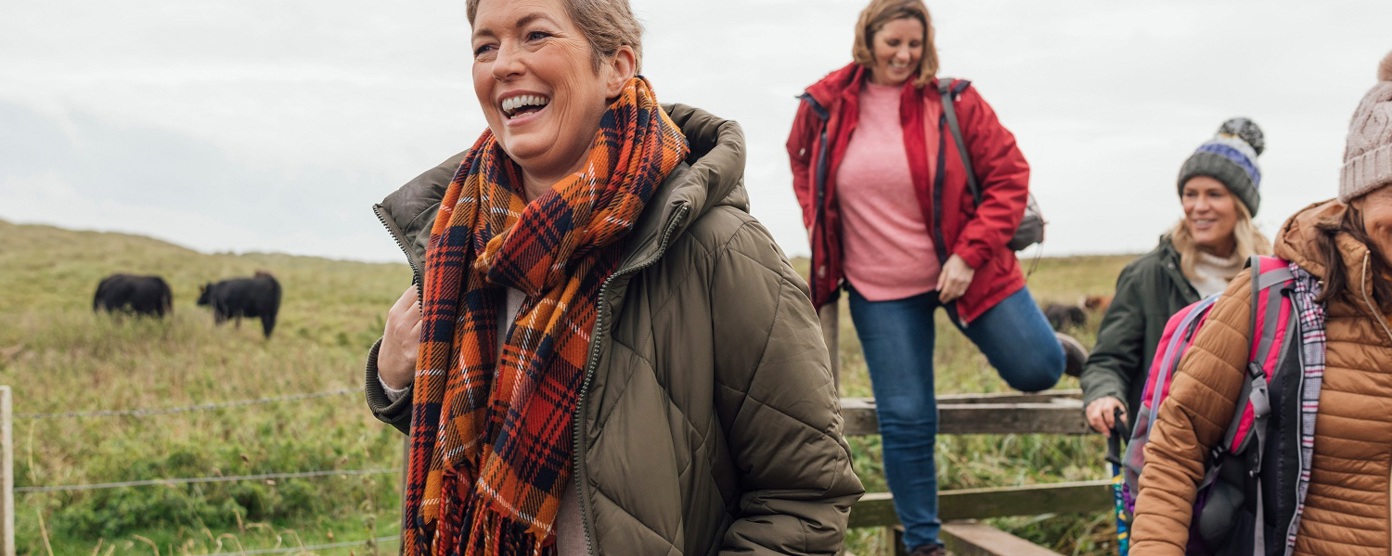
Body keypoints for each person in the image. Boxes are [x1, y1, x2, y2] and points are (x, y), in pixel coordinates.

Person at [362, 0, 864, 553]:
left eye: (535, 36)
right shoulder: (460, 241)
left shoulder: (722, 250)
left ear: (617, 66)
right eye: (485, 46)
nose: (503, 63)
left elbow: (804, 499)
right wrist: (395, 381)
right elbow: (475, 447)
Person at [784, 1, 1085, 553]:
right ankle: (922, 543)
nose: (903, 54)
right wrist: (822, 228)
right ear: (867, 38)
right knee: (906, 417)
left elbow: (1010, 177)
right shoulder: (826, 105)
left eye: (914, 44)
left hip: (967, 270)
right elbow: (802, 161)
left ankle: (1059, 349)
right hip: (880, 291)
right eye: (892, 42)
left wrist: (969, 254)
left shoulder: (955, 102)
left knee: (1037, 369)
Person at [1131, 50, 1392, 555]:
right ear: (1358, 193)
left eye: (1214, 194)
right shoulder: (1272, 298)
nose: (1200, 207)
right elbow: (1177, 446)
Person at [1081, 118, 1272, 437]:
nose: (1199, 207)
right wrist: (1104, 393)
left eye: (1214, 194)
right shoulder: (1147, 275)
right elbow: (1109, 359)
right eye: (1189, 193)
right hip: (1163, 443)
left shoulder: (1265, 276)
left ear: (1242, 205)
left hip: (1245, 447)